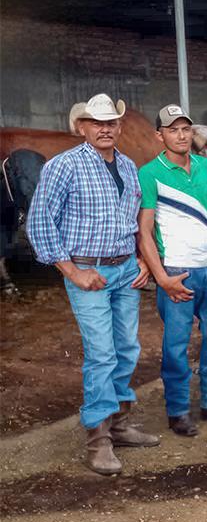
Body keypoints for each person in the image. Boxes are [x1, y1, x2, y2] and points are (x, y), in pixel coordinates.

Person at [27, 93, 157, 474]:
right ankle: (98, 438)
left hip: (123, 270)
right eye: (96, 123)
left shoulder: (129, 166)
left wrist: (139, 259)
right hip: (89, 272)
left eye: (111, 122)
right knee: (102, 352)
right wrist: (72, 271)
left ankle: (118, 423)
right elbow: (40, 222)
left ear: (119, 127)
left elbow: (131, 220)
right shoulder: (64, 166)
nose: (105, 129)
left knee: (128, 348)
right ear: (82, 127)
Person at [137, 104, 207, 436]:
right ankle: (178, 410)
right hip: (178, 270)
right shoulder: (149, 173)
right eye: (173, 130)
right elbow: (144, 231)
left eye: (185, 129)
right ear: (160, 135)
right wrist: (162, 277)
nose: (181, 135)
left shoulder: (203, 166)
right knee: (175, 344)